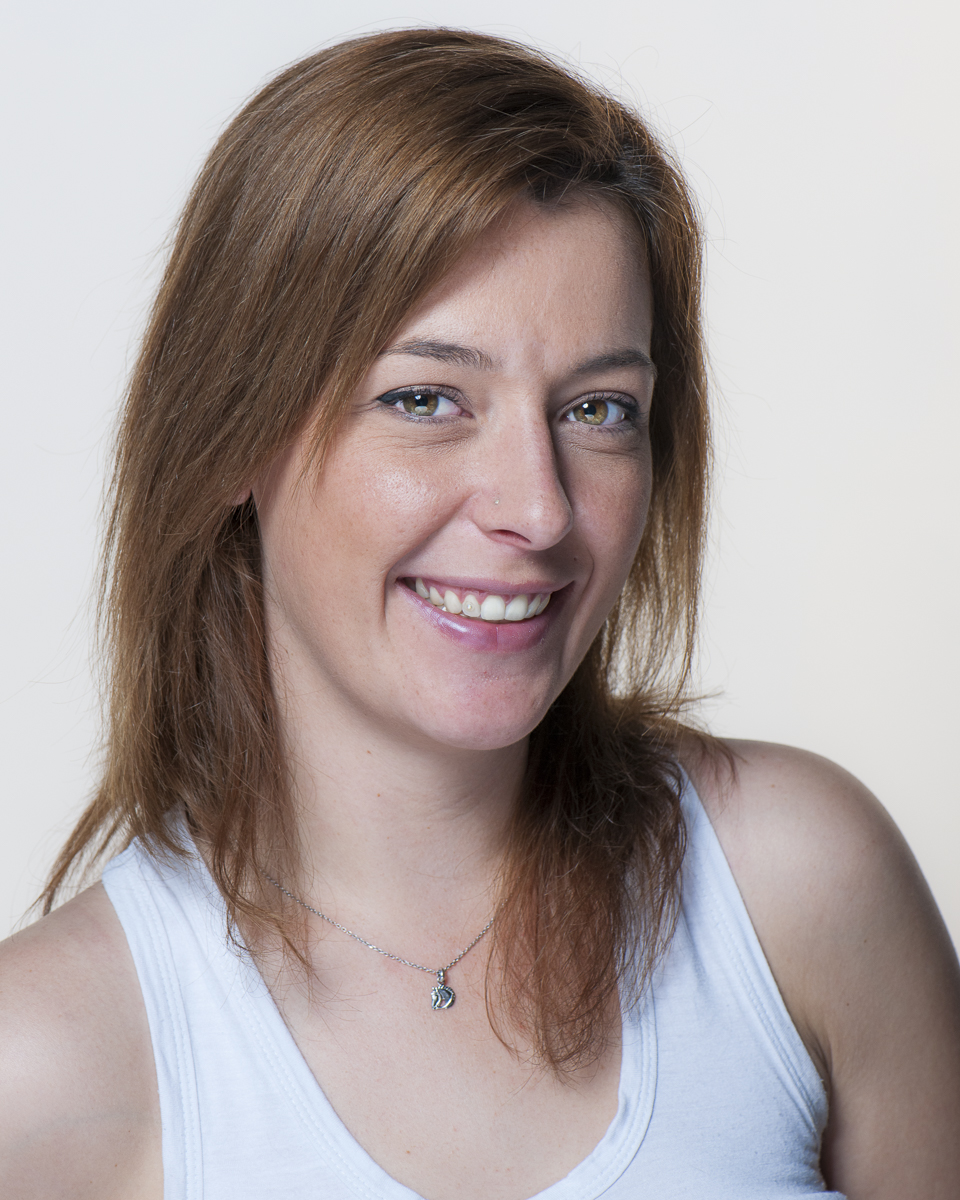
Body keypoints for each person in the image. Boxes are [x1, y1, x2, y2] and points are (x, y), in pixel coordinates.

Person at [1, 27, 958, 1200]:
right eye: (425, 398)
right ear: (232, 438)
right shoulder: (44, 1068)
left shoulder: (803, 887)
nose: (539, 507)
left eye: (600, 411)